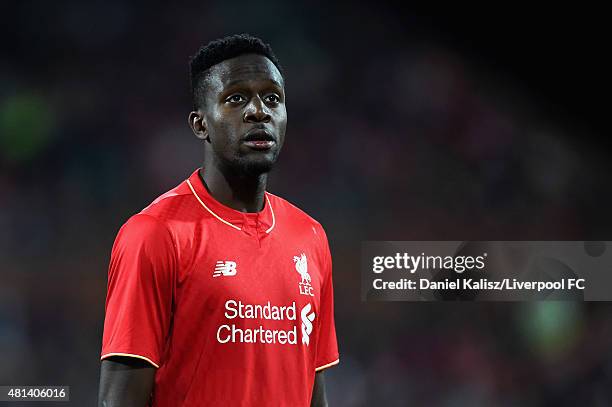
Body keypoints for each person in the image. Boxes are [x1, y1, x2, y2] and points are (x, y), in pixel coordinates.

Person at [98, 34, 339, 406]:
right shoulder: (154, 235)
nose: (259, 111)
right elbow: (119, 400)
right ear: (200, 124)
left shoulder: (310, 236)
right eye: (236, 98)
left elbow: (313, 393)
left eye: (273, 98)